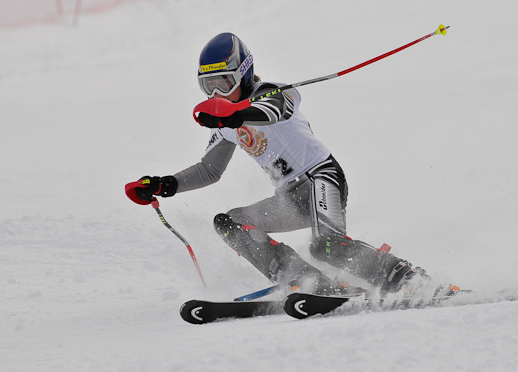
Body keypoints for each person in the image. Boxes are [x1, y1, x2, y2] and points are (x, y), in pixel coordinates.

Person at [125, 32, 448, 297]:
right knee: (229, 222)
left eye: (223, 83)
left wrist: (236, 114)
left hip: (322, 178)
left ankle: (405, 279)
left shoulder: (273, 93)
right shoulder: (224, 123)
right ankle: (307, 280)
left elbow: (274, 112)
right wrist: (163, 184)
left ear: (244, 73)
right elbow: (210, 170)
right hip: (289, 197)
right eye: (208, 86)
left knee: (327, 245)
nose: (216, 93)